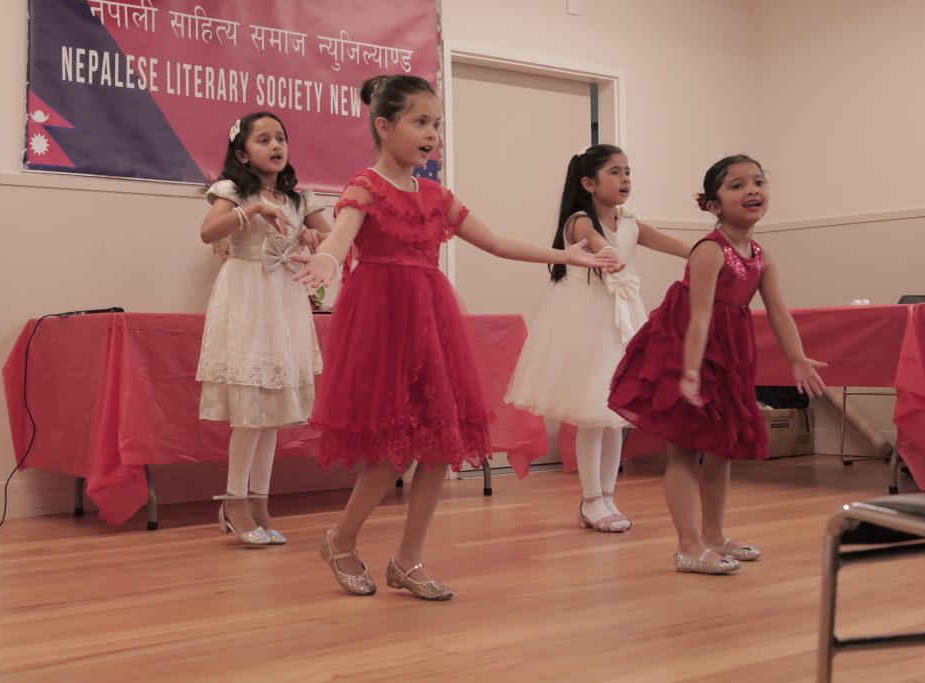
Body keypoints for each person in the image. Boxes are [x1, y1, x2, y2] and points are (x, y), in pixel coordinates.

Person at [292, 74, 622, 599]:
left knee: (441, 443)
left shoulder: (436, 195)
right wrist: (328, 260)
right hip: (382, 327)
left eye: (437, 124)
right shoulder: (364, 186)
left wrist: (569, 255)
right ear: (385, 126)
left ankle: (408, 560)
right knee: (393, 449)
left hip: (431, 323)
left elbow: (497, 242)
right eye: (420, 122)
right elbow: (341, 235)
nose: (432, 134)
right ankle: (341, 539)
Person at [609, 154, 827, 573]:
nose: (752, 190)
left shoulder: (760, 254)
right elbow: (699, 316)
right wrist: (690, 370)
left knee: (720, 448)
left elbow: (778, 312)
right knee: (685, 449)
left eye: (758, 182)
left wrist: (797, 359)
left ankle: (713, 534)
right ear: (713, 205)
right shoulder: (710, 250)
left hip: (729, 352)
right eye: (737, 185)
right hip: (687, 348)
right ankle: (688, 546)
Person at [506, 144, 691, 533]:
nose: (625, 179)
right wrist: (610, 254)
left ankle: (607, 496)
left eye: (628, 172)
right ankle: (591, 498)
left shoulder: (631, 222)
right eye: (615, 172)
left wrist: (711, 253)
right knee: (593, 411)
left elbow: (674, 245)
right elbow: (597, 243)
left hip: (623, 318)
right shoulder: (579, 221)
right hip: (588, 320)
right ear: (589, 183)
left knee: (616, 415)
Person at [197, 112, 331, 545]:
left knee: (272, 411)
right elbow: (208, 232)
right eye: (264, 139)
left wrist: (312, 239)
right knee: (250, 407)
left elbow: (333, 240)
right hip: (247, 296)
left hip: (283, 299)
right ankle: (234, 499)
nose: (276, 145)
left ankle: (259, 500)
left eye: (281, 138)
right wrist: (252, 209)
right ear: (242, 154)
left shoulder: (300, 198)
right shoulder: (233, 190)